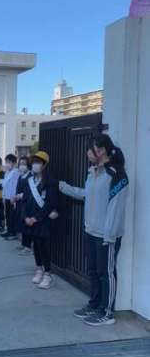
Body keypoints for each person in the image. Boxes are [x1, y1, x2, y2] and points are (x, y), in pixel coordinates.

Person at [59, 134, 128, 326]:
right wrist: (65, 188)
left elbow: (116, 207)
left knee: (106, 273)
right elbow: (87, 195)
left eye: (90, 149)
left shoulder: (116, 174)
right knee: (93, 271)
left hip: (107, 235)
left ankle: (107, 312)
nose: (87, 153)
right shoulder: (93, 172)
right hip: (91, 231)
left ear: (101, 150)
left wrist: (109, 235)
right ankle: (95, 305)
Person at [23, 151, 58, 289]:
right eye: (34, 162)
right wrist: (26, 217)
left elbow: (50, 203)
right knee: (36, 246)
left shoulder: (50, 182)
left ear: (44, 165)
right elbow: (25, 201)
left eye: (38, 162)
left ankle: (48, 274)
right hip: (30, 220)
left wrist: (36, 218)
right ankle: (39, 269)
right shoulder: (29, 181)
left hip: (43, 220)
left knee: (44, 247)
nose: (35, 165)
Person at [15, 156, 33, 255]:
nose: (22, 166)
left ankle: (28, 246)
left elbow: (29, 191)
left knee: (26, 224)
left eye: (24, 164)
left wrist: (20, 196)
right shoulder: (21, 176)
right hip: (19, 203)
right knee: (21, 223)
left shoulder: (30, 176)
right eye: (21, 164)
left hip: (27, 203)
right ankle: (24, 244)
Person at [1, 154, 20, 240]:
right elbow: (5, 186)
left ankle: (13, 233)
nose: (7, 164)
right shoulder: (7, 172)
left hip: (12, 198)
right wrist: (3, 197)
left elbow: (15, 186)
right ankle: (9, 230)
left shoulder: (16, 172)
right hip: (7, 197)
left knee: (12, 216)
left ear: (14, 163)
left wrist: (14, 197)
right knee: (8, 215)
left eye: (9, 162)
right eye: (6, 162)